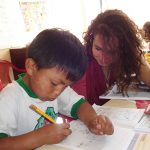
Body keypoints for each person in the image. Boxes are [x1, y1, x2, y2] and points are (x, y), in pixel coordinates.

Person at [0, 28, 114, 149]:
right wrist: (41, 136)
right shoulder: (9, 98)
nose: (58, 92)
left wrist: (93, 120)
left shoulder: (56, 89)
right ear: (32, 67)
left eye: (65, 86)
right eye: (54, 83)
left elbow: (80, 105)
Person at [72, 9, 150, 106]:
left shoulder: (128, 56)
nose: (103, 58)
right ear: (91, 40)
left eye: (112, 52)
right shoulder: (78, 58)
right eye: (98, 48)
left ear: (123, 48)